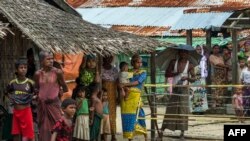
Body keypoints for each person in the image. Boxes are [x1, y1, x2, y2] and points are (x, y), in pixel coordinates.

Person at [161, 49, 196, 139]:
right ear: (178, 53)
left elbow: (194, 78)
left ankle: (182, 133)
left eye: (185, 52)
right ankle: (162, 129)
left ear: (187, 54)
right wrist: (175, 73)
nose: (183, 54)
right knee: (170, 109)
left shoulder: (190, 65)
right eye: (181, 52)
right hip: (174, 88)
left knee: (183, 110)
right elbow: (167, 74)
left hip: (184, 89)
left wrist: (187, 78)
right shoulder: (173, 62)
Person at [34, 51, 68, 141]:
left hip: (54, 105)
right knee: (44, 130)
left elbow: (65, 88)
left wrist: (58, 93)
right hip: (42, 106)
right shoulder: (38, 74)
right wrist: (38, 96)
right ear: (42, 61)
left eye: (52, 58)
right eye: (48, 59)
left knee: (58, 127)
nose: (51, 61)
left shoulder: (57, 72)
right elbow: (36, 88)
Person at [5, 57, 35, 141]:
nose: (23, 69)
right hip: (16, 111)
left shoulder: (30, 83)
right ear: (17, 69)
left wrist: (30, 98)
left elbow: (36, 94)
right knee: (16, 133)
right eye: (21, 68)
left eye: (25, 67)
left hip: (26, 111)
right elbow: (6, 93)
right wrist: (12, 99)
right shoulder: (12, 83)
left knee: (29, 134)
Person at [120, 54, 147, 141]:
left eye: (141, 62)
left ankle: (145, 136)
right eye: (137, 62)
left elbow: (137, 82)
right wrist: (122, 85)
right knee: (127, 116)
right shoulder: (129, 71)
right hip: (126, 96)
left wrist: (125, 84)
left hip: (136, 95)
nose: (140, 64)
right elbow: (122, 78)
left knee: (140, 114)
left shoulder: (143, 72)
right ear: (133, 63)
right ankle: (129, 137)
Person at [101, 56, 119, 140]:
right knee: (102, 113)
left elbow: (117, 83)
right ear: (103, 58)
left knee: (112, 114)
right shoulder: (99, 69)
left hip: (112, 95)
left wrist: (118, 95)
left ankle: (113, 134)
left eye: (110, 58)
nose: (108, 59)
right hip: (102, 94)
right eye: (106, 57)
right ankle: (102, 134)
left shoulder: (115, 70)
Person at [190, 45, 208, 114]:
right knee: (194, 94)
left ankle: (201, 110)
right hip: (194, 78)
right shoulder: (191, 59)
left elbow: (205, 69)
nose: (199, 50)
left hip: (201, 78)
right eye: (197, 49)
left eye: (200, 49)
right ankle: (195, 110)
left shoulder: (204, 58)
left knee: (201, 94)